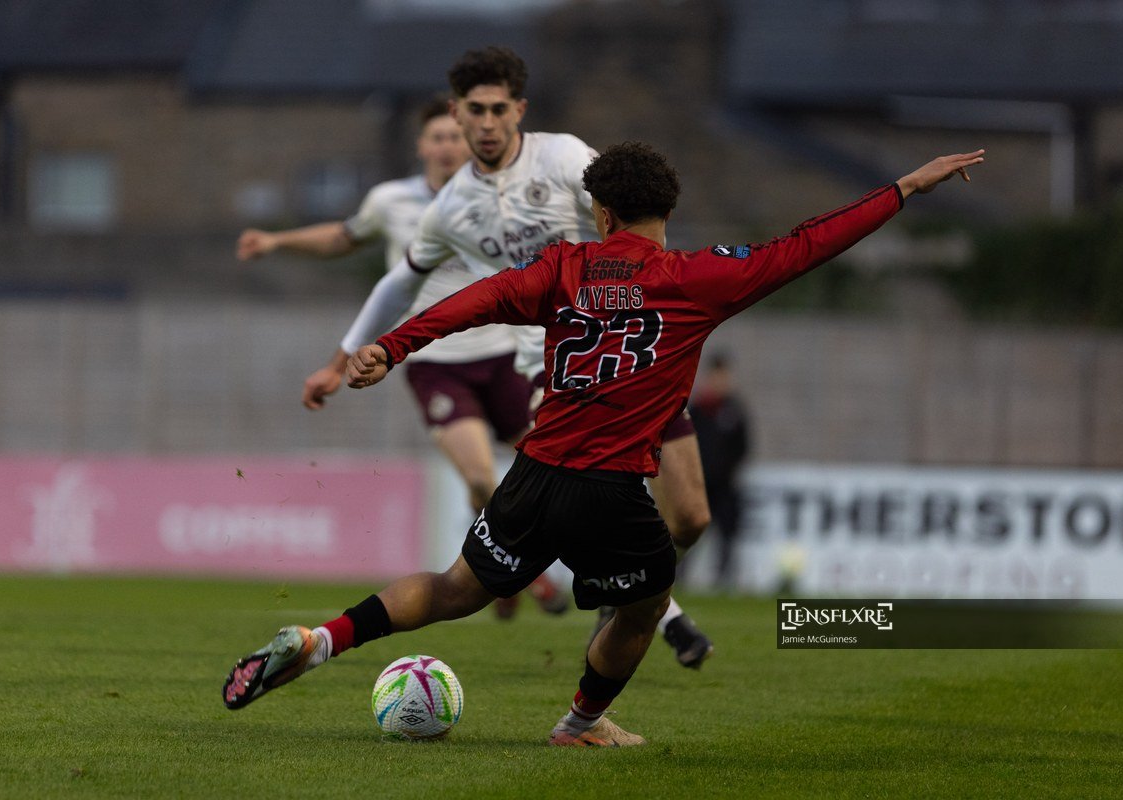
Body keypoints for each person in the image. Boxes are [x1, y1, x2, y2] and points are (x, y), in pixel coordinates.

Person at [221, 140, 985, 747]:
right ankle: (579, 726)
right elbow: (809, 244)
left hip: (536, 471)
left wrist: (394, 348)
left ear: (601, 210)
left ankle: (324, 639)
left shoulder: (565, 267)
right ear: (666, 209)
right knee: (647, 603)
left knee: (456, 588)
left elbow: (472, 301)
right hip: (611, 487)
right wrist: (905, 188)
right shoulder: (699, 278)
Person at [301, 46, 713, 665]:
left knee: (691, 519)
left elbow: (640, 214)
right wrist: (340, 359)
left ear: (518, 110)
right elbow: (400, 283)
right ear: (457, 114)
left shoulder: (566, 157)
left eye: (499, 109)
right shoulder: (450, 209)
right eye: (475, 111)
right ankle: (625, 611)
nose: (488, 123)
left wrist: (660, 308)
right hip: (555, 370)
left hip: (637, 353)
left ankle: (625, 594)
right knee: (569, 495)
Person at [236, 98, 565, 615]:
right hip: (435, 363)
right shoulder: (393, 201)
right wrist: (278, 240)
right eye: (437, 137)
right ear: (421, 146)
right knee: (481, 478)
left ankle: (509, 568)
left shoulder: (505, 201)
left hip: (507, 356)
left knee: (555, 473)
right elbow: (344, 238)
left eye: (454, 136)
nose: (447, 146)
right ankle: (513, 573)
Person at [687, 353, 751, 589]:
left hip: (725, 486)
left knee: (727, 534)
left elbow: (743, 446)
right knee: (690, 531)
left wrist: (729, 470)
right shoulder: (698, 408)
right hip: (698, 484)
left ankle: (723, 580)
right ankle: (680, 577)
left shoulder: (735, 410)